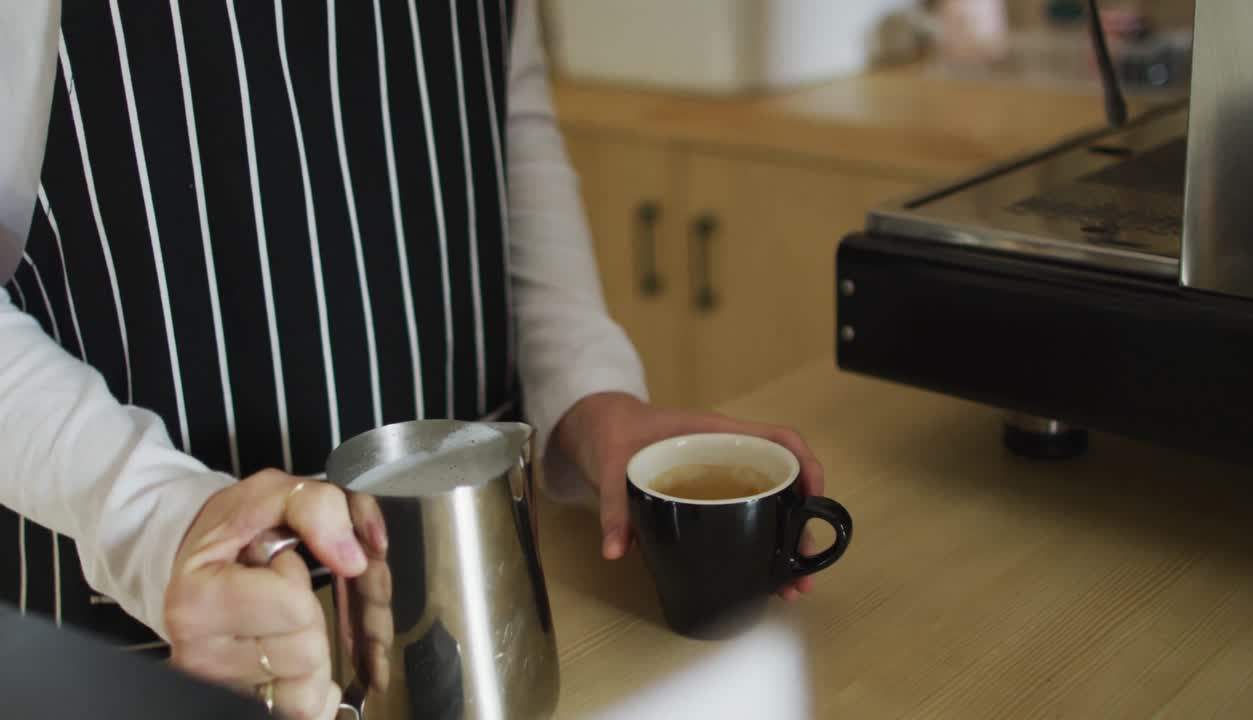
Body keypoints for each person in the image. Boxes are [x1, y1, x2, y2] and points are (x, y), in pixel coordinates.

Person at [0, 1, 825, 718]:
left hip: (478, 606)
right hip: (152, 646)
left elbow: (509, 125)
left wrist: (590, 395)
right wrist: (158, 514)